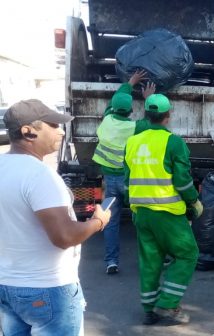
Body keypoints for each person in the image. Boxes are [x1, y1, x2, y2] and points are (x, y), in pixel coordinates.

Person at [0, 99, 111, 335]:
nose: (61, 131)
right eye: (52, 125)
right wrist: (98, 221)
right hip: (48, 289)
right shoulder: (40, 175)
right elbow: (64, 236)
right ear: (28, 132)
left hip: (7, 286)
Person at [124, 93, 203, 325]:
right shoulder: (174, 142)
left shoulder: (133, 141)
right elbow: (183, 181)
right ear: (168, 116)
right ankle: (168, 303)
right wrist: (194, 201)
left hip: (141, 213)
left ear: (146, 115)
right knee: (188, 254)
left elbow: (127, 178)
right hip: (167, 212)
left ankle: (149, 309)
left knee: (150, 260)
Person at [92, 70, 153, 275]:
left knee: (110, 221)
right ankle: (148, 260)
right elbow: (151, 121)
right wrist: (149, 98)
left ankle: (111, 261)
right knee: (142, 221)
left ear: (114, 109)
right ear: (129, 111)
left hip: (110, 183)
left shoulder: (107, 119)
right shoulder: (134, 127)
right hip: (130, 183)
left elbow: (113, 102)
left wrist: (129, 83)